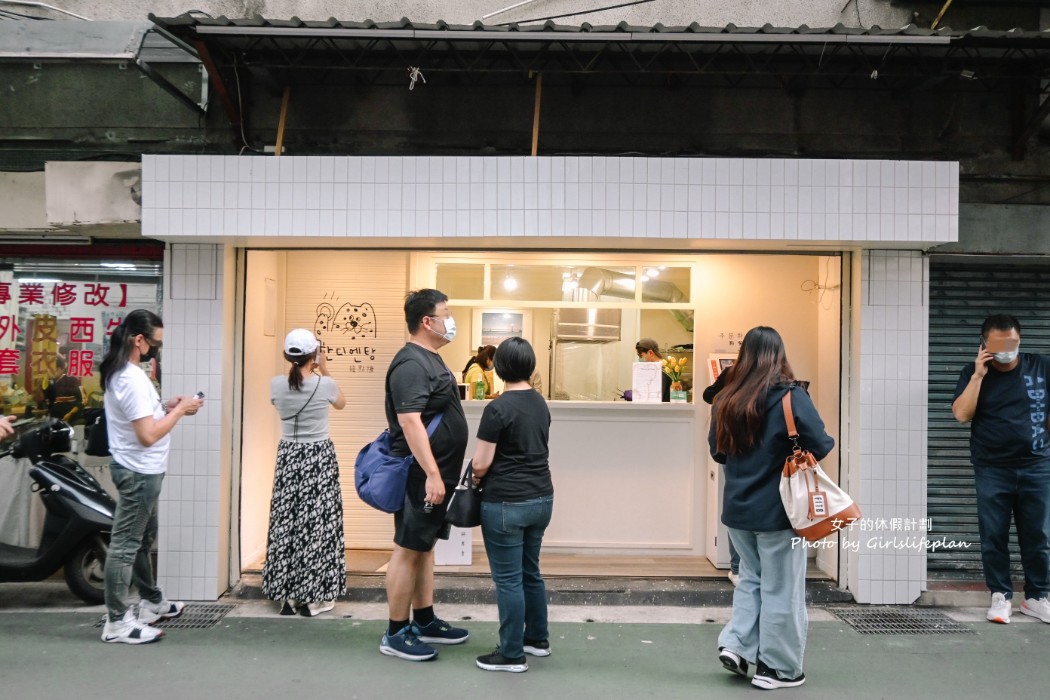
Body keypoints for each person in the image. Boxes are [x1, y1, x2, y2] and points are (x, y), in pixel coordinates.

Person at [709, 326, 834, 690]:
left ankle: (737, 647)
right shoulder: (791, 397)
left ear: (744, 356)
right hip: (781, 514)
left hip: (738, 512)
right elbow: (821, 444)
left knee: (751, 578)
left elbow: (718, 452)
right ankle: (777, 669)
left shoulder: (725, 399)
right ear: (779, 356)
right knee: (782, 587)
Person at [99, 309, 203, 644]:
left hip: (144, 471)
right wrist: (179, 411)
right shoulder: (129, 379)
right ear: (138, 339)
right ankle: (116, 622)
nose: (156, 349)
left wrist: (166, 406)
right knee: (126, 545)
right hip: (138, 473)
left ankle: (151, 602)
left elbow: (144, 420)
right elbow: (147, 435)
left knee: (141, 540)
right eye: (155, 343)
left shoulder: (128, 373)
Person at [380, 289, 470, 661]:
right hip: (422, 475)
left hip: (437, 475)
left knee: (425, 548)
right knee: (407, 549)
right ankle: (396, 631)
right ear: (426, 322)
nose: (451, 320)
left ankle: (425, 618)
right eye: (446, 313)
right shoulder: (411, 364)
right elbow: (409, 420)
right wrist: (433, 474)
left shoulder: (431, 358)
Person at [951, 314, 1050, 625]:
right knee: (993, 535)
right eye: (999, 344)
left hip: (1037, 465)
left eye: (1013, 343)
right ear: (984, 345)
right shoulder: (972, 372)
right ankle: (1001, 596)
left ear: (1020, 340)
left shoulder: (1041, 366)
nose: (1008, 349)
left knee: (1039, 535)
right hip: (992, 467)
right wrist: (979, 375)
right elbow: (962, 414)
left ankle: (1037, 597)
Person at [470, 338, 554, 673]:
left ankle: (511, 653)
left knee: (508, 580)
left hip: (506, 502)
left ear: (500, 366)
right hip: (542, 498)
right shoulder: (540, 403)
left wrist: (475, 483)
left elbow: (480, 463)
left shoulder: (498, 408)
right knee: (530, 572)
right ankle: (537, 639)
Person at [262, 329, 347, 617]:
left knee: (288, 523)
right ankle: (314, 597)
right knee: (317, 525)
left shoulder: (276, 385)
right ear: (314, 354)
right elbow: (341, 403)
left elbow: (284, 397)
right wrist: (324, 368)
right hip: (318, 457)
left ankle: (287, 595)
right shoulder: (325, 384)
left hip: (288, 456)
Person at [703, 365, 740, 586]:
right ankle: (749, 569)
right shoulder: (781, 380)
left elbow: (710, 395)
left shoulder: (732, 372)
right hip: (771, 461)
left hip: (735, 456)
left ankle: (738, 569)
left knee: (737, 509)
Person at [44, 355, 84, 423]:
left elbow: (82, 400)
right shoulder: (50, 382)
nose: (51, 371)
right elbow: (46, 402)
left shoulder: (72, 380)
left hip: (69, 417)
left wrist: (70, 414)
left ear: (62, 369)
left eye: (55, 369)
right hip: (54, 418)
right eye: (49, 369)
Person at [636, 338, 671, 402]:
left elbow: (656, 397)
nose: (640, 359)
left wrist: (637, 396)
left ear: (650, 353)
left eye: (641, 355)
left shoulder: (662, 370)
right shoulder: (658, 369)